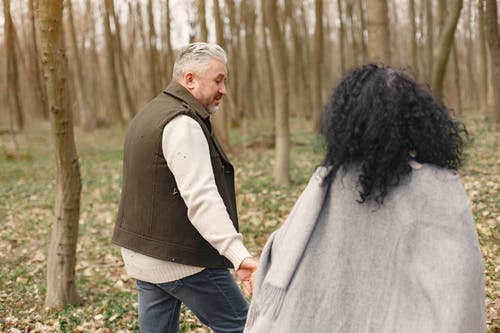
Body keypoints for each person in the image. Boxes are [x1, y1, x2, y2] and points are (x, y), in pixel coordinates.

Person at [244, 64, 486, 333]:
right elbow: (461, 285)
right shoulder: (440, 186)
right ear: (419, 121)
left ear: (347, 123)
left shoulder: (328, 182)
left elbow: (282, 254)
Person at [113, 42, 257, 333]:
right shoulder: (182, 124)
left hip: (143, 255)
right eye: (218, 80)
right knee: (244, 326)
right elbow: (202, 198)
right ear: (190, 79)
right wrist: (238, 255)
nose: (224, 90)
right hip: (182, 260)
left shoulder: (150, 113)